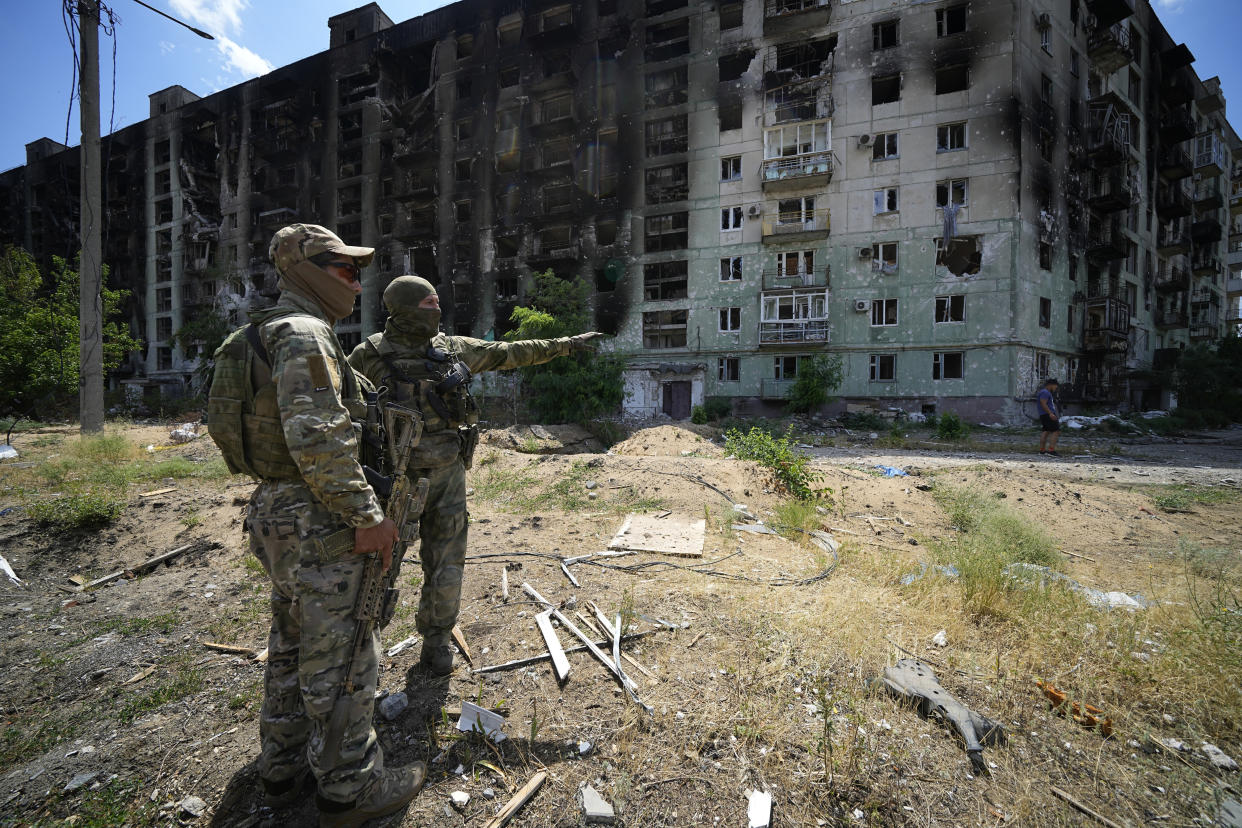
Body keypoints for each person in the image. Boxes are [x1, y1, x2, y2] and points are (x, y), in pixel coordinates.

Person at [220, 225, 425, 828]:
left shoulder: (259, 332)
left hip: (278, 511)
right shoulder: (305, 335)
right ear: (306, 270)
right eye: (343, 269)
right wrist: (367, 516)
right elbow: (319, 435)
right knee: (342, 657)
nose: (356, 282)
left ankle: (281, 769)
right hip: (321, 517)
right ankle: (348, 790)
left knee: (289, 642)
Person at [347, 274, 606, 676]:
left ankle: (421, 647)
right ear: (406, 308)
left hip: (439, 477)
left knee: (438, 565)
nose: (436, 310)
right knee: (388, 566)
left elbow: (509, 352)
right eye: (429, 304)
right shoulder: (378, 355)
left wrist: (563, 346)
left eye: (436, 303)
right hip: (395, 482)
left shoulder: (435, 349)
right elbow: (341, 410)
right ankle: (375, 652)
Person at [1037, 378, 1061, 456]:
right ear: (1051, 385)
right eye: (1055, 387)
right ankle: (1051, 450)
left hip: (1043, 414)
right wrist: (1050, 413)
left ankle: (1042, 450)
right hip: (1047, 414)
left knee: (1046, 431)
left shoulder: (1043, 392)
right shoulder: (1045, 392)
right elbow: (1043, 403)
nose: (1055, 389)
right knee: (1056, 431)